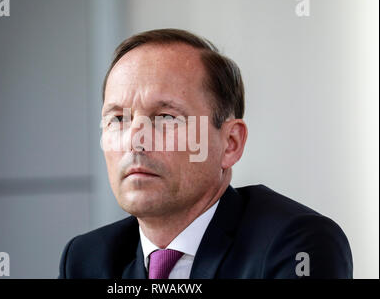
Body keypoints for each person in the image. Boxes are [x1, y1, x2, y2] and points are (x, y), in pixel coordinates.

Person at [58, 28, 353, 279]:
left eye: (165, 117)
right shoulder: (85, 259)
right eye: (118, 119)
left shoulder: (296, 244)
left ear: (230, 143)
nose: (135, 139)